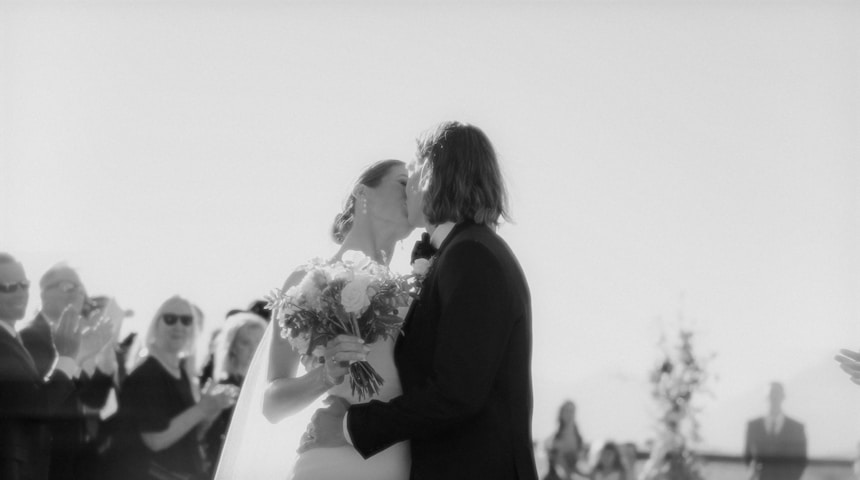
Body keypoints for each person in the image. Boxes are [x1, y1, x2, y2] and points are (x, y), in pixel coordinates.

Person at [308, 122, 538, 479]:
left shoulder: (472, 256)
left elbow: (457, 392)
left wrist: (351, 426)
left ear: (433, 176)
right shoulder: (462, 252)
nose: (407, 190)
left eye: (412, 173)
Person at [214, 158, 415, 479]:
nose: (412, 191)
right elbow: (272, 404)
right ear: (363, 193)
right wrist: (326, 375)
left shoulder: (413, 292)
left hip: (396, 459)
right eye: (403, 182)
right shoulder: (309, 281)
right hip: (330, 462)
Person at [105, 296, 236, 480]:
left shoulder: (181, 372)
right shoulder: (146, 375)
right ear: (155, 324)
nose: (178, 326)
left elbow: (190, 436)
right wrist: (201, 409)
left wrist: (210, 410)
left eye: (186, 320)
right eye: (170, 319)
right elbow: (155, 440)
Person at [18, 263, 115, 480]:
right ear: (44, 294)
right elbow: (36, 405)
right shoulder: (29, 338)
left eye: (80, 288)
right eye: (67, 286)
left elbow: (89, 401)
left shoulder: (75, 340)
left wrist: (102, 362)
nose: (77, 292)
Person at [0, 253, 79, 480]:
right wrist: (67, 357)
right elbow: (36, 408)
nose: (20, 293)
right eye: (8, 287)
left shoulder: (11, 339)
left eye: (24, 284)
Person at [201, 312, 266, 477]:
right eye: (245, 343)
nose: (253, 350)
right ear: (232, 347)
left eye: (259, 343)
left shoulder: (267, 388)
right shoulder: (223, 389)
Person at [743, 382, 807, 480]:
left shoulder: (797, 428)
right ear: (765, 397)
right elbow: (747, 458)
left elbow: (801, 461)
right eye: (771, 395)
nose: (774, 398)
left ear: (783, 397)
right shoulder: (753, 426)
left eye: (776, 394)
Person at [543, 400, 587, 480]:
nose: (569, 414)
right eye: (567, 411)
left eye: (572, 411)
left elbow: (580, 463)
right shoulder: (554, 438)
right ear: (561, 413)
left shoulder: (578, 438)